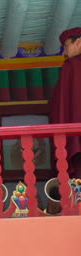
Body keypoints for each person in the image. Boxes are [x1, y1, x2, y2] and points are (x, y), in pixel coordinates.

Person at [50, 27, 81, 179]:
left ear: (79, 42)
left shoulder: (72, 66)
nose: (64, 53)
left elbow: (62, 106)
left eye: (66, 46)